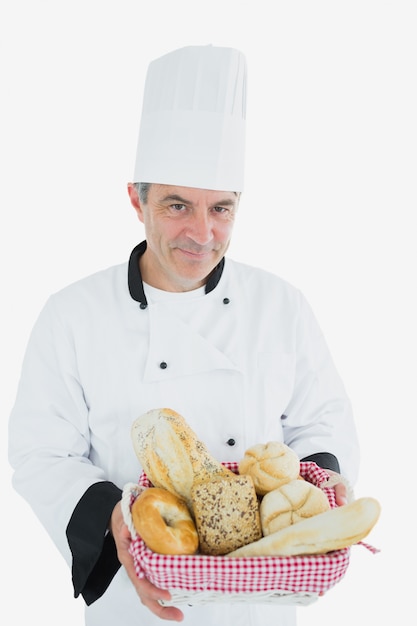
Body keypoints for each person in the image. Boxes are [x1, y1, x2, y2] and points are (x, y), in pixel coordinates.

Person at [8, 45, 359, 626]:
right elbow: (42, 453)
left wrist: (328, 487)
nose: (203, 233)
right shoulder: (72, 315)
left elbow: (318, 424)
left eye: (221, 208)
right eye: (177, 205)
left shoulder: (281, 306)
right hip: (137, 604)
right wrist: (114, 521)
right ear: (135, 199)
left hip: (263, 606)